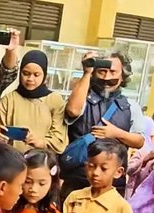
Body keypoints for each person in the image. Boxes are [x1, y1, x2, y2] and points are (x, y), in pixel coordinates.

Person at [61, 52, 144, 203]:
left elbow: (139, 141)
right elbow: (72, 110)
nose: (107, 77)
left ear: (123, 75)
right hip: (78, 177)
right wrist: (87, 72)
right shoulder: (82, 97)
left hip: (112, 183)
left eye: (113, 72)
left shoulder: (131, 106)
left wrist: (115, 133)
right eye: (102, 71)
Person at [0, 50, 68, 154]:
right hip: (12, 162)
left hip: (42, 162)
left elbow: (59, 138)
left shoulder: (54, 100)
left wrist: (40, 143)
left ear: (44, 76)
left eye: (36, 75)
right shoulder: (8, 100)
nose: (30, 79)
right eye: (26, 74)